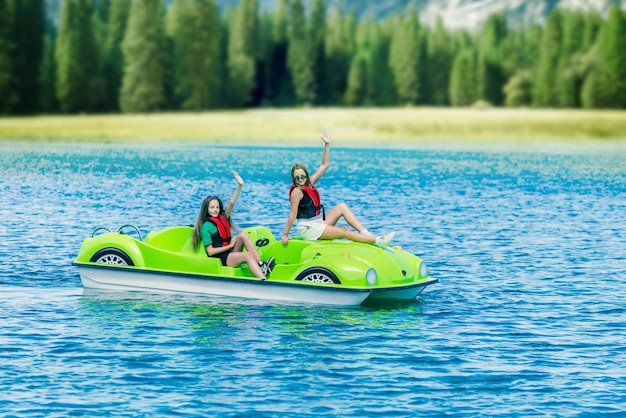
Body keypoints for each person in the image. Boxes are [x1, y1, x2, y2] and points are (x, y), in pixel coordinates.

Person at [281, 129, 395, 248]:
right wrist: (285, 234)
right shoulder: (297, 192)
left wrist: (327, 144)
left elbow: (324, 165)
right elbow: (292, 215)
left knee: (341, 206)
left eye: (302, 176)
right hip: (308, 228)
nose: (300, 179)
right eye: (297, 178)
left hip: (318, 222)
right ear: (293, 179)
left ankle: (366, 234)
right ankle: (377, 240)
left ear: (307, 175)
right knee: (344, 231)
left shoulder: (310, 183)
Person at [193, 171, 275, 279]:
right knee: (247, 255)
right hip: (221, 258)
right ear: (206, 209)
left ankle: (261, 265)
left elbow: (231, 203)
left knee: (242, 235)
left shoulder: (222, 218)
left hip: (230, 253)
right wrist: (230, 246)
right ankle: (263, 280)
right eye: (212, 207)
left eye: (217, 207)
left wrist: (240, 186)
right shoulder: (206, 226)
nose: (215, 210)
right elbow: (210, 251)